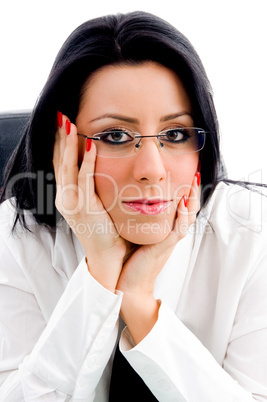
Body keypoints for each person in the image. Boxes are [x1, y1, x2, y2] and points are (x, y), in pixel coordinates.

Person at [0, 10, 266, 402]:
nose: (152, 171)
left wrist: (139, 302)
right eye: (116, 135)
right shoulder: (16, 238)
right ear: (65, 146)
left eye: (175, 133)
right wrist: (99, 273)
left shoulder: (252, 233)